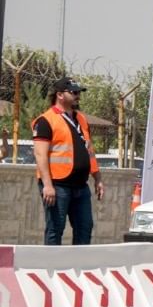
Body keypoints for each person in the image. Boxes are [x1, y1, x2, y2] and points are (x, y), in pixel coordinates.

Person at [32, 77, 104, 245]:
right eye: (74, 92)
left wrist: (98, 178)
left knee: (85, 227)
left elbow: (90, 151)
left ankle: (78, 268)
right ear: (60, 95)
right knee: (55, 228)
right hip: (58, 185)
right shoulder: (45, 121)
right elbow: (40, 155)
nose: (78, 95)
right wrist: (48, 185)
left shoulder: (81, 119)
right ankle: (50, 267)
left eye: (79, 92)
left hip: (80, 186)